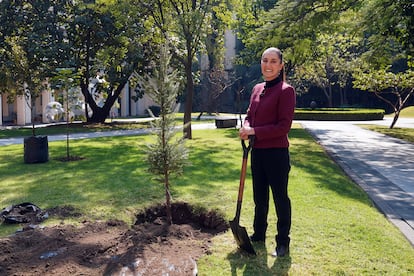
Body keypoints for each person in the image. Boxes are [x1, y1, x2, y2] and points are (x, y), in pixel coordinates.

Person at [239, 47, 296, 257]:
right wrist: (245, 127)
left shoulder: (285, 90)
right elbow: (249, 115)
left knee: (280, 198)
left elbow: (284, 127)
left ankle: (282, 242)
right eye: (265, 60)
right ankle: (258, 234)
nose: (268, 65)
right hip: (258, 152)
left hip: (277, 154)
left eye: (273, 61)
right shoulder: (257, 88)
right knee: (259, 197)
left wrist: (254, 130)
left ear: (281, 66)